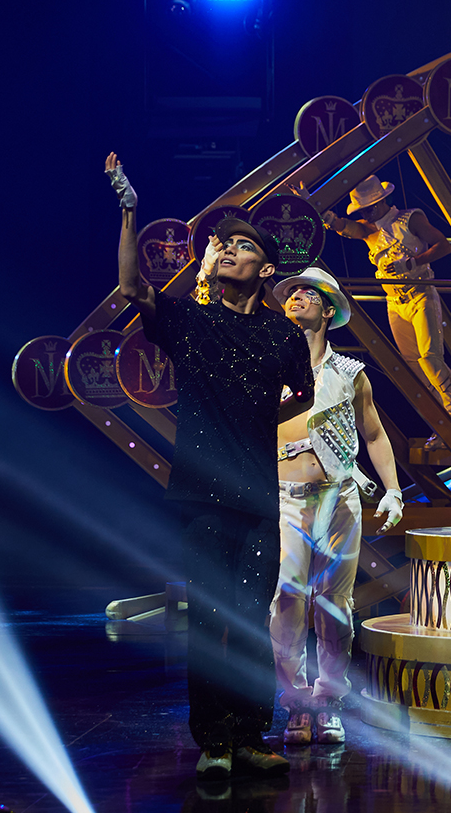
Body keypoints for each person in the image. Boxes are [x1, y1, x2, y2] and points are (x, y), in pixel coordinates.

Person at [106, 153, 312, 780]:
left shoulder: (281, 337)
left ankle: (251, 734)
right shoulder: (193, 322)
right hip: (200, 497)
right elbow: (133, 287)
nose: (227, 252)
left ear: (265, 267)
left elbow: (302, 394)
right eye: (223, 244)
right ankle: (213, 740)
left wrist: (255, 421)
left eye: (241, 246)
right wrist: (128, 207)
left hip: (255, 495)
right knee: (208, 618)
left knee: (252, 621)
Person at [268, 266, 403, 748]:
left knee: (333, 606)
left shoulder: (349, 373)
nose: (297, 296)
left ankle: (327, 702)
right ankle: (296, 704)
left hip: (339, 499)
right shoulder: (266, 365)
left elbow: (373, 434)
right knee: (287, 600)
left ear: (328, 311)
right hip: (286, 499)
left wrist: (392, 489)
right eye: (291, 292)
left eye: (309, 292)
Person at [318, 176, 451, 447]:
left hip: (421, 294)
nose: (364, 214)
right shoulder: (369, 229)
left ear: (379, 202)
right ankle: (442, 428)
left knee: (431, 360)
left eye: (367, 209)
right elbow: (345, 227)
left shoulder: (410, 219)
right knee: (415, 369)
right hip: (395, 303)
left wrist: (413, 262)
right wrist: (316, 208)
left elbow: (443, 245)